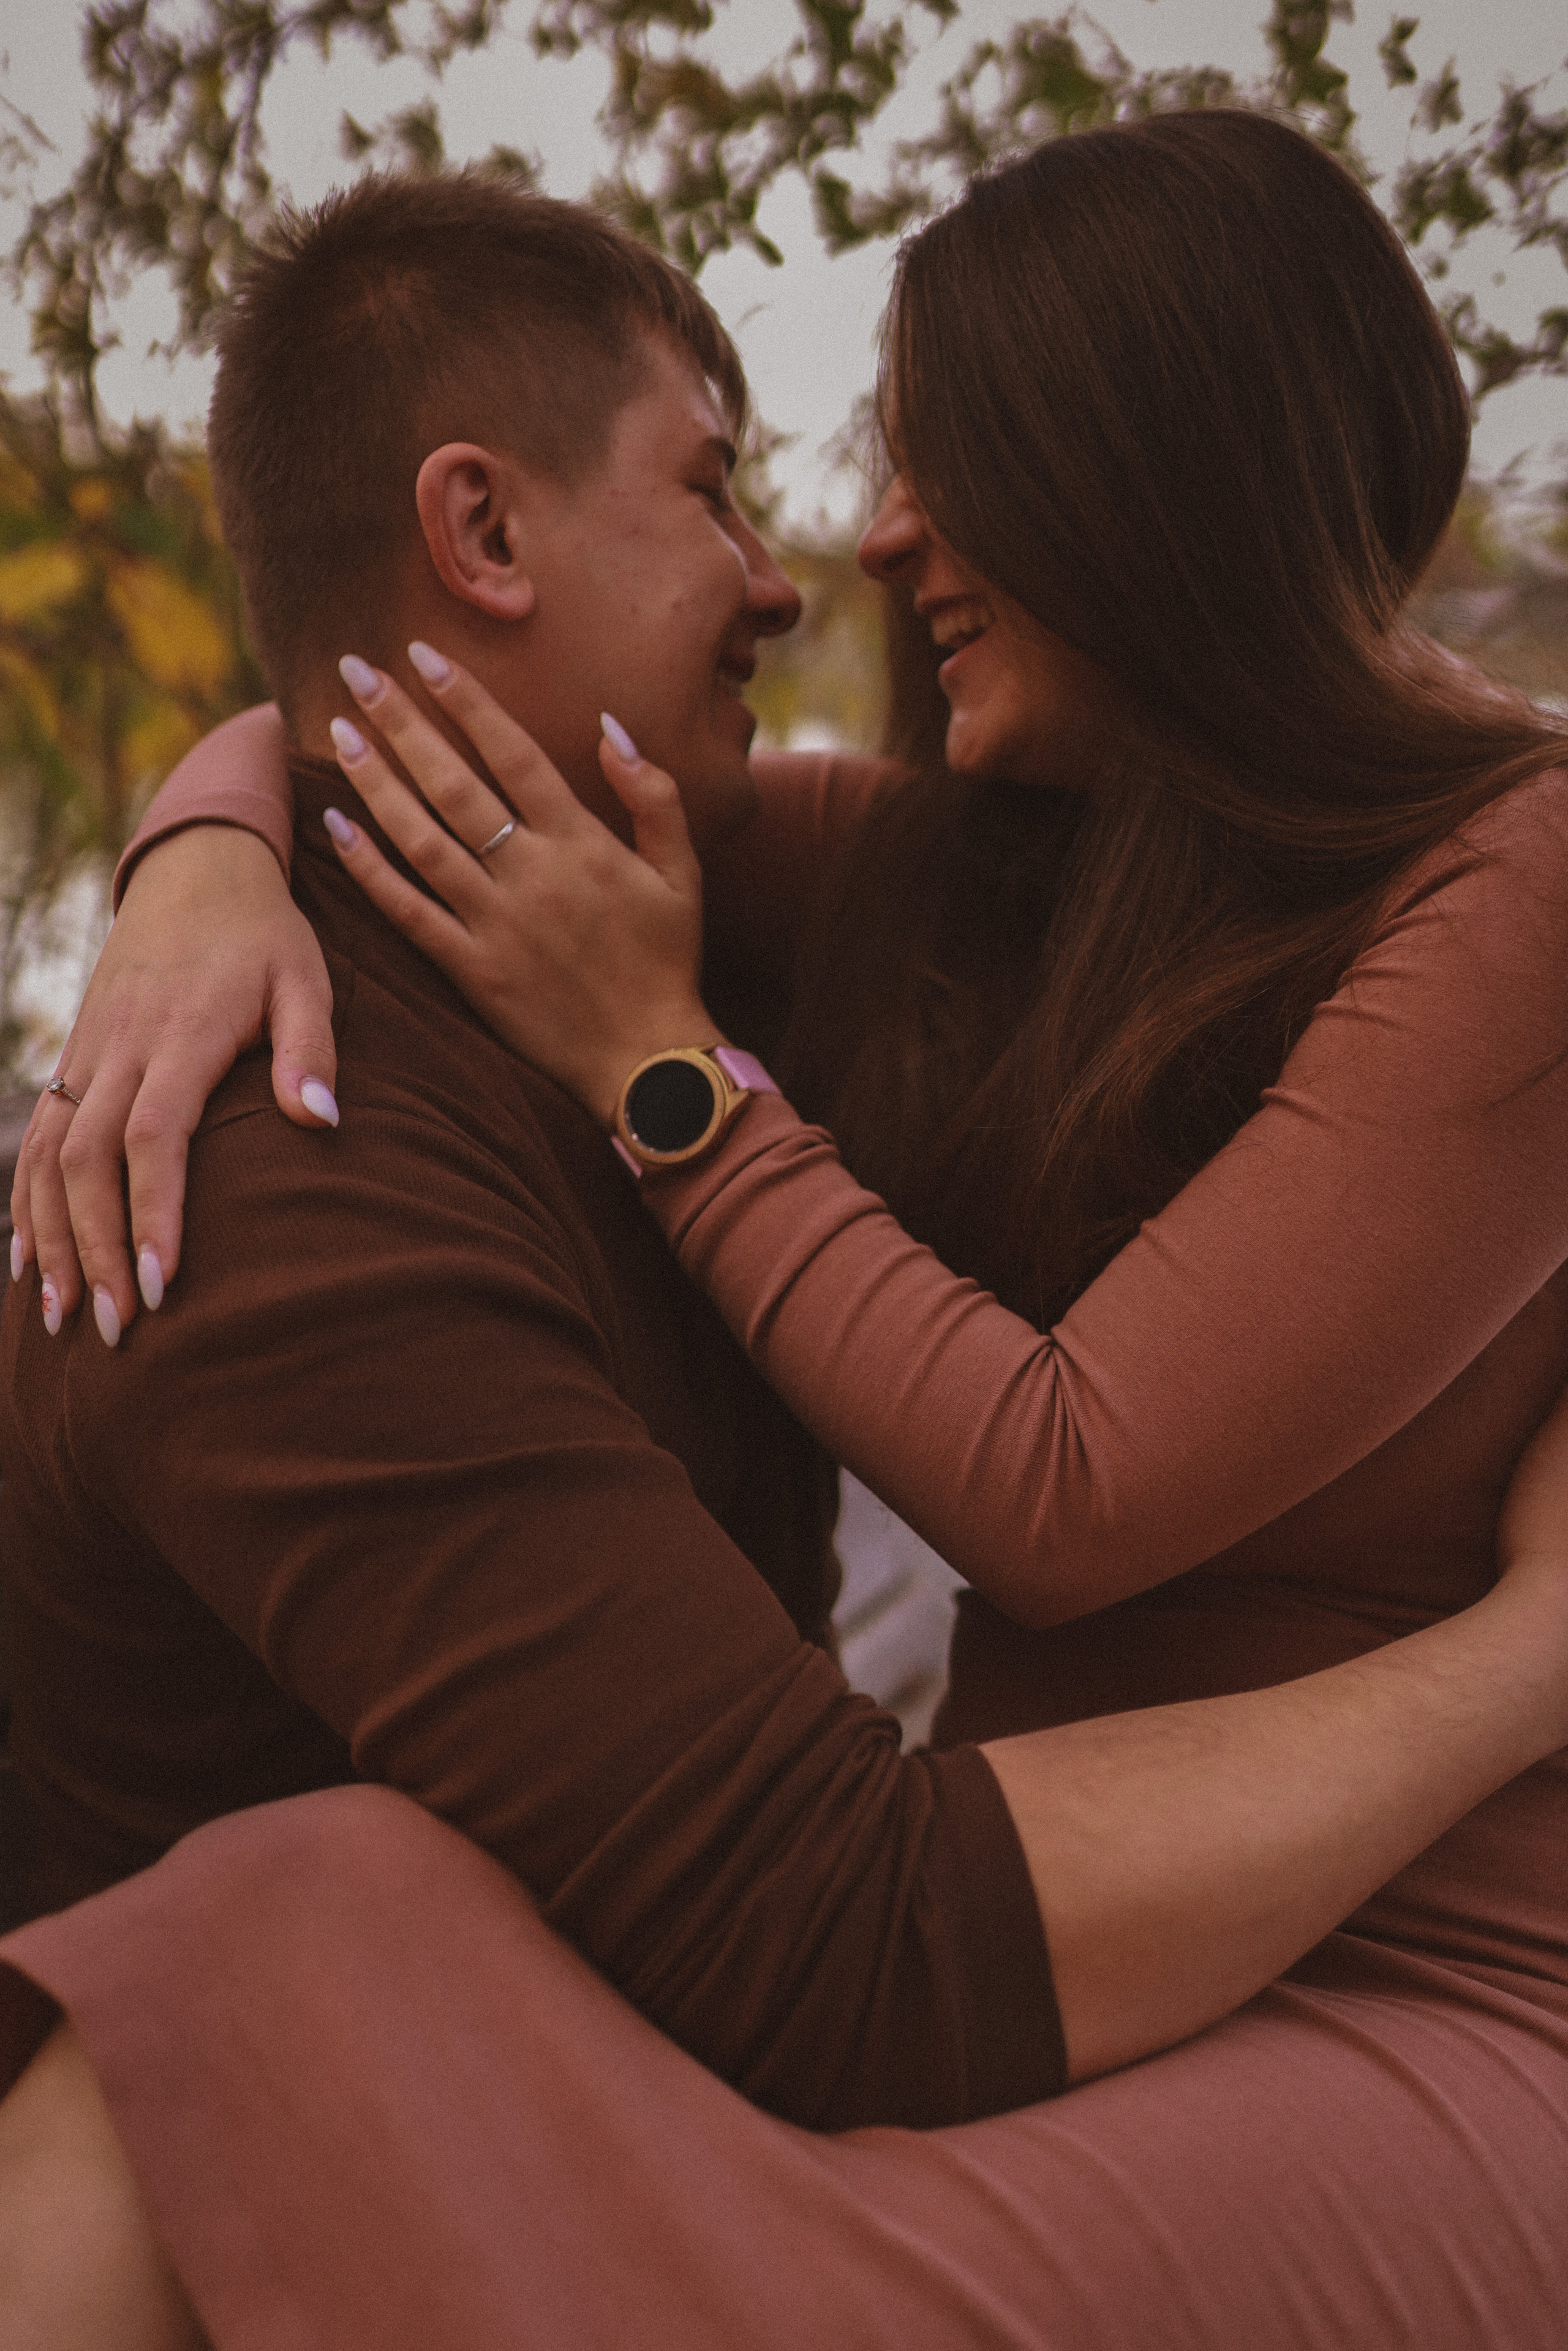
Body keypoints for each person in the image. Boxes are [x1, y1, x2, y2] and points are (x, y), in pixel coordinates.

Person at [4, 111, 1568, 2345]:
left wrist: (665, 1071)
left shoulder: (1520, 875)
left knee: (252, 1980)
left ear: (1151, 469)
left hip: (1416, 1960)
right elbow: (372, 693)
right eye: (736, 486)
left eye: (948, 459)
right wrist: (203, 854)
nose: (853, 550)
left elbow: (1066, 1486)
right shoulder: (982, 881)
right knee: (277, 1931)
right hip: (1078, 1953)